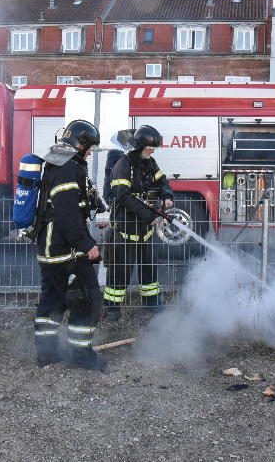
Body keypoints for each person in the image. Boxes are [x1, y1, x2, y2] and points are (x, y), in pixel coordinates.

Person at [33, 119, 106, 371]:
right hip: (65, 249)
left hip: (51, 248)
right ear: (79, 143)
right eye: (89, 147)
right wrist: (87, 244)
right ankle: (80, 355)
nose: (89, 152)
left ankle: (47, 354)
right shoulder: (66, 168)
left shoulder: (58, 162)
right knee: (87, 298)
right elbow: (67, 214)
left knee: (52, 302)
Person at [103, 125, 173, 321]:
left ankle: (152, 303)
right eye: (150, 147)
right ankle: (113, 308)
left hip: (145, 228)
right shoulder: (123, 165)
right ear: (139, 146)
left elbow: (163, 181)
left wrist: (167, 195)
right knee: (120, 269)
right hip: (126, 227)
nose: (153, 150)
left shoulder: (150, 163)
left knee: (149, 266)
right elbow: (123, 196)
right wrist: (150, 216)